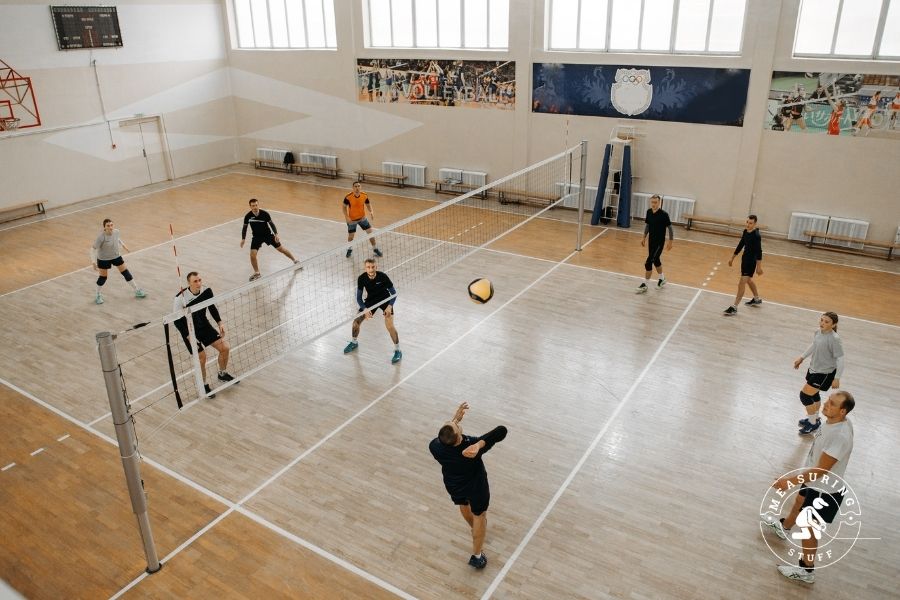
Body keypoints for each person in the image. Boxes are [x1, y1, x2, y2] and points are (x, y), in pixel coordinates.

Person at [764, 391, 855, 584]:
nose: (826, 404)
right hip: (813, 479)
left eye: (832, 404)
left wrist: (789, 481)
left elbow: (821, 471)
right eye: (828, 400)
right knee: (799, 500)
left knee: (809, 529)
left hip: (824, 491)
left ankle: (807, 570)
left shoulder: (840, 436)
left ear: (843, 411)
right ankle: (784, 527)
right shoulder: (833, 421)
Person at [429, 402, 508, 569]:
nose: (453, 422)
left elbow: (447, 434)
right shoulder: (471, 446)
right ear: (459, 436)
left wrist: (455, 420)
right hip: (476, 487)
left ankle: (476, 530)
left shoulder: (435, 446)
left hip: (453, 484)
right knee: (480, 515)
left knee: (463, 504)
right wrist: (479, 445)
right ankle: (477, 556)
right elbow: (501, 431)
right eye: (454, 425)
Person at [173, 271, 235, 398]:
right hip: (189, 330)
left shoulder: (206, 291)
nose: (198, 283)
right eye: (195, 281)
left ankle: (222, 374)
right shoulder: (180, 298)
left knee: (225, 348)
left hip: (204, 326)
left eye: (199, 280)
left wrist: (220, 322)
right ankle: (204, 385)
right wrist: (189, 336)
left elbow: (212, 307)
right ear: (189, 283)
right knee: (202, 357)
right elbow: (177, 321)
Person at [794, 312, 844, 435]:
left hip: (825, 373)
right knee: (814, 394)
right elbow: (814, 345)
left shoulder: (834, 339)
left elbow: (840, 359)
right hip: (813, 368)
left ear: (833, 325)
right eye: (821, 320)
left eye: (826, 322)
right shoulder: (818, 332)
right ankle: (814, 418)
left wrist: (837, 378)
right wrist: (802, 357)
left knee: (805, 396)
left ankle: (813, 424)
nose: (822, 323)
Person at [343, 259, 400, 364]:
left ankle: (398, 350)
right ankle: (354, 342)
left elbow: (394, 293)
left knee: (390, 326)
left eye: (373, 267)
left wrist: (389, 306)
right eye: (368, 267)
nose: (371, 269)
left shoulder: (383, 276)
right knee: (356, 322)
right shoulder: (361, 278)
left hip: (385, 300)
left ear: (376, 267)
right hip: (371, 301)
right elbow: (359, 298)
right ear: (365, 268)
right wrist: (365, 309)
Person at [240, 198, 299, 281]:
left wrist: (276, 234)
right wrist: (243, 239)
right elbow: (244, 228)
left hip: (268, 235)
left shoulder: (265, 214)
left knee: (281, 249)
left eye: (256, 205)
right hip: (256, 237)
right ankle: (257, 273)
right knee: (252, 255)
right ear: (250, 206)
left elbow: (271, 224)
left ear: (258, 205)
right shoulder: (248, 216)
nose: (255, 207)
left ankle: (295, 261)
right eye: (253, 206)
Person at [91, 218, 147, 305]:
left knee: (126, 272)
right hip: (103, 259)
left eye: (111, 225)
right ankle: (97, 295)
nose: (110, 227)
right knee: (103, 278)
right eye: (108, 226)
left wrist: (124, 246)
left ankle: (137, 290)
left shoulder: (116, 232)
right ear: (104, 227)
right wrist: (93, 262)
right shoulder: (101, 237)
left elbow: (117, 239)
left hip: (116, 256)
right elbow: (92, 249)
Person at [723, 215, 763, 315]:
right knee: (748, 280)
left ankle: (734, 307)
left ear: (755, 224)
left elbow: (759, 252)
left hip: (751, 262)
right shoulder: (745, 231)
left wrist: (759, 267)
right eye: (747, 222)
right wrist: (732, 257)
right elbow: (741, 244)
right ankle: (756, 299)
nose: (748, 225)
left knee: (741, 283)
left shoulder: (756, 235)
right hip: (744, 260)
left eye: (750, 223)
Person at [636, 194, 674, 293]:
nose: (653, 204)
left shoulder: (664, 214)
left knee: (648, 262)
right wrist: (644, 237)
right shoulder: (649, 212)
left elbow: (670, 228)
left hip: (659, 243)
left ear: (659, 203)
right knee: (656, 260)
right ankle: (662, 279)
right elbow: (648, 225)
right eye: (652, 202)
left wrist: (670, 241)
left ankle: (645, 284)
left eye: (655, 202)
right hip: (651, 241)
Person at [343, 182, 383, 258]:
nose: (357, 188)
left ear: (360, 187)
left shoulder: (364, 195)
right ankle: (349, 249)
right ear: (353, 188)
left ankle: (375, 249)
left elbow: (368, 204)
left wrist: (371, 211)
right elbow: (344, 207)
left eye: (358, 186)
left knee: (370, 233)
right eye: (355, 186)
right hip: (352, 220)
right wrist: (347, 217)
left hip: (362, 218)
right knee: (351, 236)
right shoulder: (348, 197)